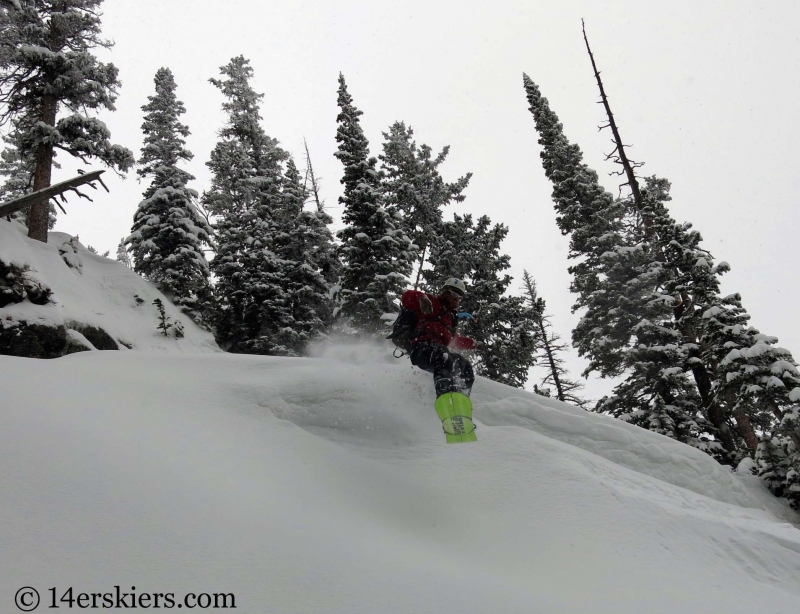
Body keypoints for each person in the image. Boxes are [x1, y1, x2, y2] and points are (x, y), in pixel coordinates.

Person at [401, 278, 476, 398]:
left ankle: (461, 398)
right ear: (445, 292)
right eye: (454, 294)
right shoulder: (432, 301)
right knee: (443, 355)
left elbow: (454, 340)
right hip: (422, 348)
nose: (457, 299)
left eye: (460, 297)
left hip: (438, 352)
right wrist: (422, 298)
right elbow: (406, 297)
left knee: (464, 366)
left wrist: (474, 343)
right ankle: (445, 395)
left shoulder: (449, 318)